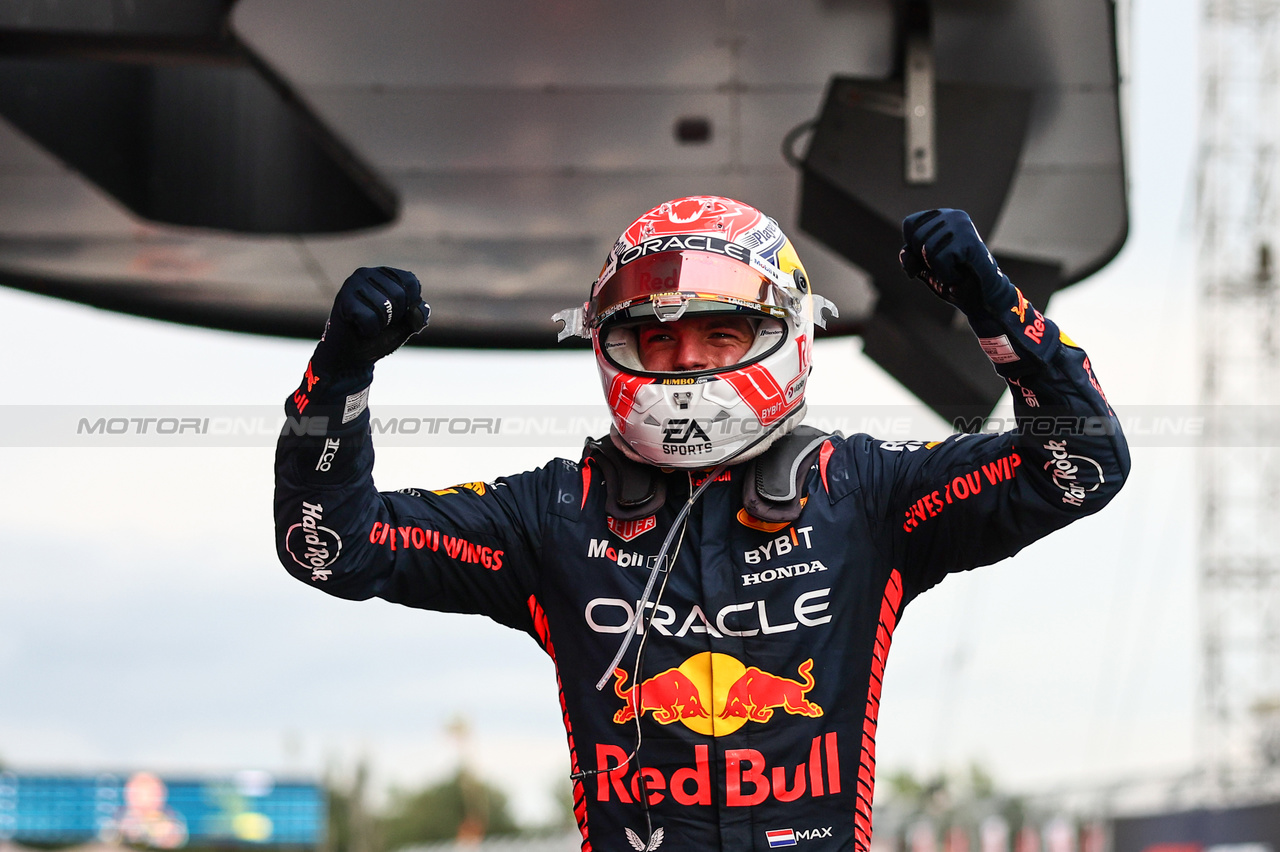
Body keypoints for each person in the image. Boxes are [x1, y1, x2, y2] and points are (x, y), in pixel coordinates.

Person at [274, 198, 1129, 852]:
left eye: (720, 336)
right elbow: (333, 549)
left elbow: (1082, 467)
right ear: (612, 347)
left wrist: (1000, 314)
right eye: (656, 338)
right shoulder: (553, 514)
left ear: (786, 338)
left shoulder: (867, 492)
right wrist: (338, 381)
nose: (686, 363)